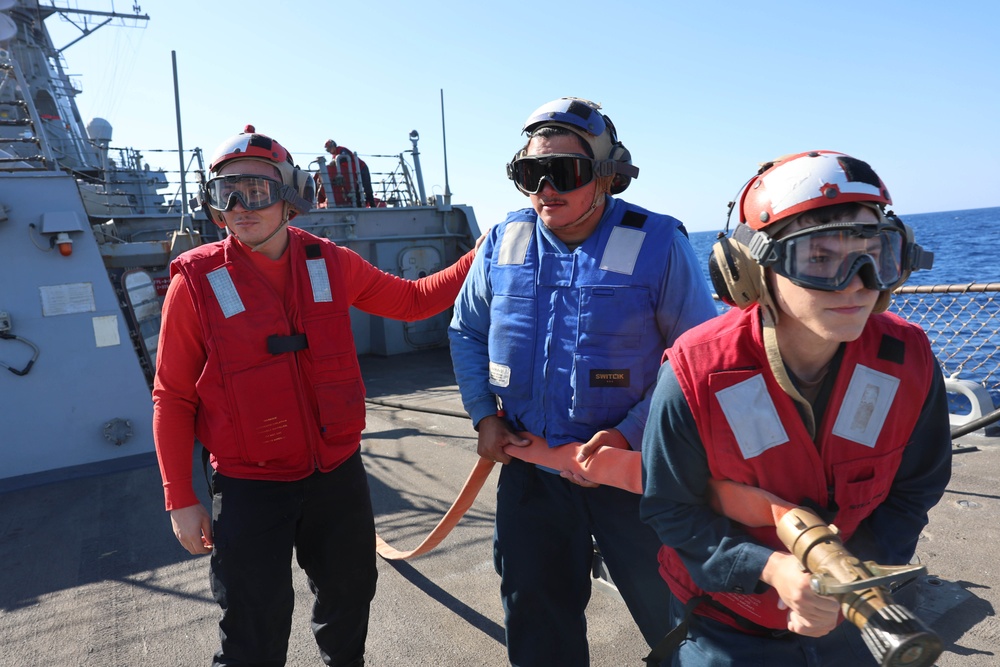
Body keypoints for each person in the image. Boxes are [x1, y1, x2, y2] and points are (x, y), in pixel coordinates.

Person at [152, 125, 476, 667]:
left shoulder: (331, 262)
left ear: (291, 195)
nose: (238, 206)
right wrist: (180, 498)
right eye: (224, 193)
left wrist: (483, 251)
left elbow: (417, 301)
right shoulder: (197, 283)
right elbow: (173, 396)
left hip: (337, 475)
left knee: (350, 601)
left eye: (254, 190)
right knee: (253, 622)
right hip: (250, 483)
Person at [639, 150, 951, 665]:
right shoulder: (695, 372)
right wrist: (769, 569)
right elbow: (670, 509)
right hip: (728, 627)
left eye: (874, 254)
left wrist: (851, 580)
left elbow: (916, 486)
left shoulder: (908, 360)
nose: (856, 282)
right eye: (820, 259)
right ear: (755, 272)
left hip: (854, 624)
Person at [448, 97, 718, 666]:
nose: (545, 187)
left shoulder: (657, 243)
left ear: (604, 176)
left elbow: (695, 357)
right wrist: (483, 413)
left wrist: (628, 434)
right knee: (536, 619)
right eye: (530, 173)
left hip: (635, 477)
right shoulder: (503, 241)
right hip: (533, 469)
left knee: (680, 624)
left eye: (564, 172)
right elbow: (466, 331)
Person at [319, 139, 376, 207]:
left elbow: (344, 157)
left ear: (334, 145)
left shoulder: (341, 150)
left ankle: (372, 204)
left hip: (361, 168)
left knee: (367, 187)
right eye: (328, 150)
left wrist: (335, 161)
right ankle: (359, 206)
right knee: (356, 189)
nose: (330, 151)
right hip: (353, 174)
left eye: (330, 148)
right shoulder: (334, 157)